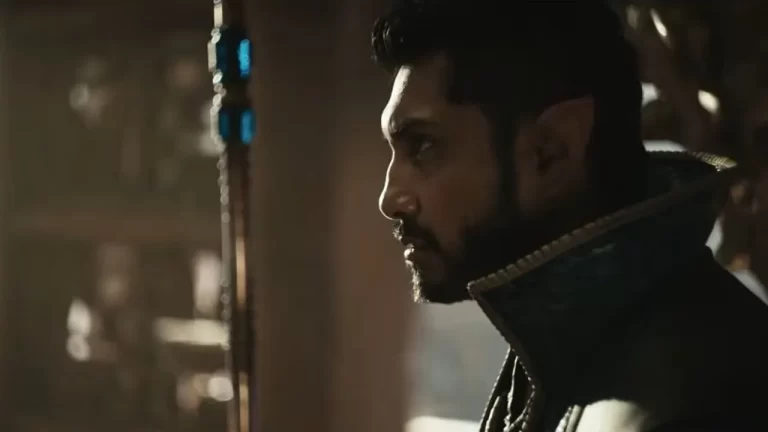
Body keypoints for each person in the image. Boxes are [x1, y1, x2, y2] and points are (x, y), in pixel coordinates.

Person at [371, 0, 768, 430]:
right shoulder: (568, 351)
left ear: (552, 150)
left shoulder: (699, 393)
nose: (390, 200)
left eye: (423, 146)